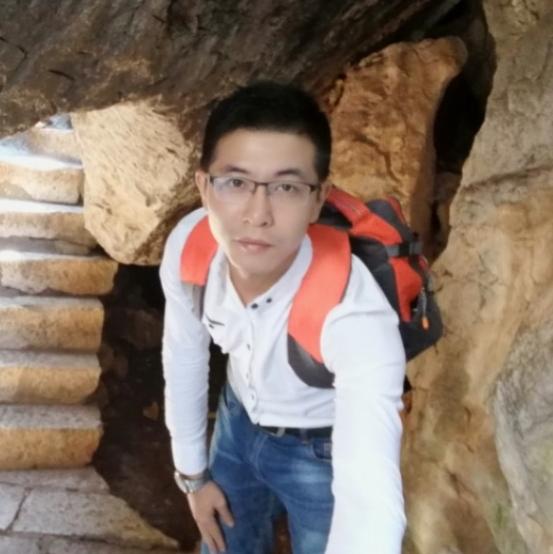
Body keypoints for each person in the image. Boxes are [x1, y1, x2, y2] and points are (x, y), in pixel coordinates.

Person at [159, 81, 407, 554]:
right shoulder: (191, 247)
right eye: (235, 183)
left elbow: (369, 488)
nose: (258, 215)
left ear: (319, 198)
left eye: (287, 188)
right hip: (236, 423)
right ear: (204, 188)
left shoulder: (352, 311)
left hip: (321, 450)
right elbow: (184, 354)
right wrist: (193, 476)